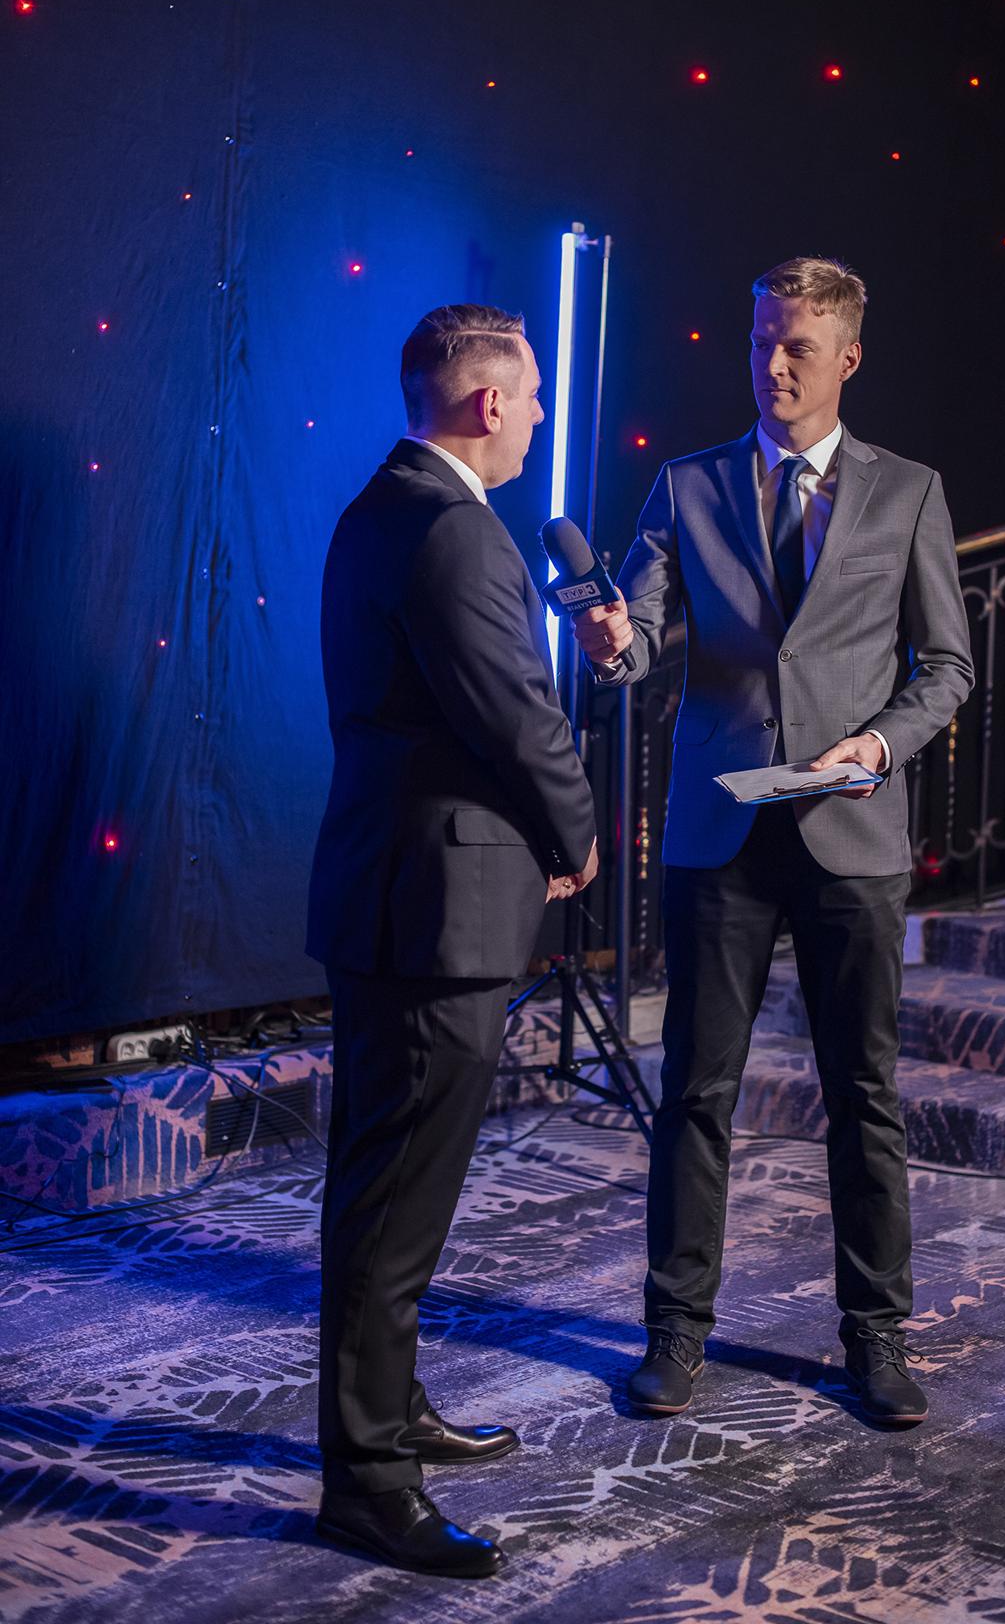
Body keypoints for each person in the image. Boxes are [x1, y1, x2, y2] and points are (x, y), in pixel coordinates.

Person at [572, 257, 974, 1429]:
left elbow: (945, 666)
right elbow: (638, 636)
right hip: (719, 832)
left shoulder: (909, 491)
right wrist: (611, 642)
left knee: (863, 1094)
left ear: (847, 357)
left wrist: (878, 744)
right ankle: (673, 1331)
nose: (773, 363)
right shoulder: (685, 483)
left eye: (796, 344)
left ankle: (874, 1338)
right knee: (694, 1091)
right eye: (760, 340)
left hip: (852, 828)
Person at [307, 304, 597, 1577]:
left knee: (384, 1185)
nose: (534, 417)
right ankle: (369, 1482)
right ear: (487, 403)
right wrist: (579, 832)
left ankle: (390, 1409)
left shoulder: (378, 507)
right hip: (434, 909)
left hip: (391, 893)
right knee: (394, 1199)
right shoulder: (454, 530)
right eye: (528, 398)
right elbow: (517, 718)